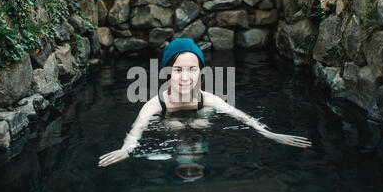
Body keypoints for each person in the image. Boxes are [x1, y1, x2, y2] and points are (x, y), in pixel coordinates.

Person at [98, 38, 312, 167]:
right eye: (178, 70)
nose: (185, 77)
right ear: (167, 72)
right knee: (175, 127)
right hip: (169, 127)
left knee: (200, 124)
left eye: (192, 69)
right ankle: (184, 157)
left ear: (200, 71)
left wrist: (270, 134)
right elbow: (137, 130)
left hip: (200, 122)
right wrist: (126, 149)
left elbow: (244, 119)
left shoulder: (209, 99)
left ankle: (194, 155)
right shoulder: (155, 105)